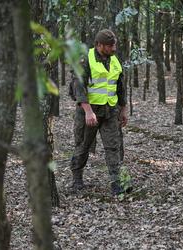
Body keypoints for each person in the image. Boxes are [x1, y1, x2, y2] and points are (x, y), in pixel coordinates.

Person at [70, 29, 129, 195]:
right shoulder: (85, 59)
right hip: (88, 111)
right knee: (83, 145)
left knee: (113, 146)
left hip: (110, 111)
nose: (113, 48)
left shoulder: (115, 60)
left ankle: (117, 184)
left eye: (114, 44)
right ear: (99, 45)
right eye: (110, 46)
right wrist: (88, 111)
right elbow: (79, 87)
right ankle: (77, 180)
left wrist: (123, 109)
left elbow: (120, 87)